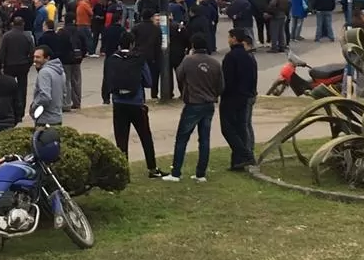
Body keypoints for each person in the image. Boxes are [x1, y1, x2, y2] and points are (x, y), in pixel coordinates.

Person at [101, 31, 163, 178]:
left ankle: (123, 171)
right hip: (136, 102)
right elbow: (148, 81)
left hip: (118, 102)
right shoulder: (138, 59)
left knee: (121, 138)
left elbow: (107, 79)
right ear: (132, 44)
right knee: (145, 135)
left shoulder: (112, 59)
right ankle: (152, 168)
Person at [162, 34, 222, 183]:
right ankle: (201, 173)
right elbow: (221, 86)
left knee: (182, 138)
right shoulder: (215, 63)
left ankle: (176, 172)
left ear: (193, 46)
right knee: (204, 139)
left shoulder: (188, 60)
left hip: (193, 103)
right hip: (209, 104)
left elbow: (179, 75)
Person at [220, 29, 258, 171]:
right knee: (241, 128)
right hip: (245, 96)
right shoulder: (249, 57)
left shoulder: (231, 57)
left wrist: (222, 93)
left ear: (234, 39)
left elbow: (226, 80)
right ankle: (237, 162)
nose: (228, 40)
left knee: (228, 129)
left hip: (232, 97)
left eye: (229, 37)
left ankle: (245, 155)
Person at [0, 18, 35, 110]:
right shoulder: (27, 36)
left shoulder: (6, 36)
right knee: (22, 89)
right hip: (23, 65)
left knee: (8, 88)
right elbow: (32, 52)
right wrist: (28, 64)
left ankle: (9, 108)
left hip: (9, 65)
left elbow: (2, 51)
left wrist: (2, 65)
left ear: (12, 24)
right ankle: (21, 110)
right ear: (23, 24)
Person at [30, 45, 65, 126]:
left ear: (47, 58)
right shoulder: (60, 71)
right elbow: (64, 94)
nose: (35, 60)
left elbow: (45, 96)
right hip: (57, 118)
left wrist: (33, 108)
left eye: (38, 57)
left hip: (44, 119)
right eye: (34, 57)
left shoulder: (44, 72)